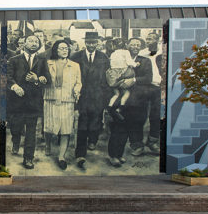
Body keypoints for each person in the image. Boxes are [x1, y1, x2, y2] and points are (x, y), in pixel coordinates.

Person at [107, 38, 152, 166]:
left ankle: (119, 154)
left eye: (138, 45)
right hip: (120, 100)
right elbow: (110, 74)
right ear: (127, 45)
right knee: (117, 128)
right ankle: (113, 156)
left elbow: (148, 78)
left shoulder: (145, 61)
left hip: (136, 101)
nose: (135, 46)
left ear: (141, 47)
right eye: (132, 44)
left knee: (127, 130)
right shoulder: (119, 57)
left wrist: (133, 80)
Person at [7, 35, 49, 169]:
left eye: (36, 41)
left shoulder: (42, 60)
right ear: (23, 43)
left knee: (31, 131)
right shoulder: (14, 60)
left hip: (33, 102)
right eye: (30, 41)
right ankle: (15, 140)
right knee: (16, 126)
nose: (33, 43)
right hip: (16, 101)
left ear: (39, 45)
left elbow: (47, 79)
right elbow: (7, 76)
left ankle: (28, 158)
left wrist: (37, 79)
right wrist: (15, 87)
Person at [70, 32, 110, 170]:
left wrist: (106, 98)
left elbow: (107, 78)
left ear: (98, 43)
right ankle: (80, 154)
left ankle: (93, 139)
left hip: (98, 95)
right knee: (82, 122)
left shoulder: (104, 57)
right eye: (89, 42)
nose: (91, 45)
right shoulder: (76, 57)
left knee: (96, 120)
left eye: (94, 42)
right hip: (82, 95)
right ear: (85, 42)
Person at [43, 40, 82, 170]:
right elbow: (43, 78)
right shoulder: (48, 64)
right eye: (61, 48)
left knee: (66, 129)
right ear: (56, 50)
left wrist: (77, 90)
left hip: (67, 99)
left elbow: (78, 82)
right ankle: (47, 145)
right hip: (50, 97)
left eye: (66, 48)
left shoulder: (75, 65)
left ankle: (61, 157)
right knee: (49, 126)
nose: (64, 50)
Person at [139, 32, 163, 154]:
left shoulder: (162, 53)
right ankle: (138, 144)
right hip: (144, 87)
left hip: (158, 88)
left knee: (155, 116)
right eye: (147, 38)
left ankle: (152, 142)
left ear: (157, 40)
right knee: (141, 115)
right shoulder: (142, 53)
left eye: (151, 38)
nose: (148, 40)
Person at [106, 38, 139, 120]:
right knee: (126, 92)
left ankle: (109, 108)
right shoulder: (126, 52)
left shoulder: (113, 54)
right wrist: (136, 64)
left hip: (113, 75)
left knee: (116, 94)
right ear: (125, 45)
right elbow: (129, 62)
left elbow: (111, 64)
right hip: (123, 74)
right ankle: (120, 108)